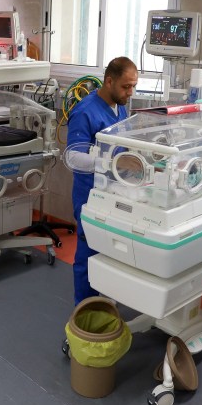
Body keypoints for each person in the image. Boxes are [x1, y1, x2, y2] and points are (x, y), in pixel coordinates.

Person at [67, 56, 138, 305]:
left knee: (111, 253)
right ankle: (84, 311)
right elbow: (74, 158)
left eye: (133, 86)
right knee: (88, 256)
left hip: (114, 193)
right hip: (90, 197)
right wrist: (113, 164)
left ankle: (105, 301)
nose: (130, 92)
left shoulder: (120, 108)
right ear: (109, 81)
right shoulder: (85, 111)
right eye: (126, 86)